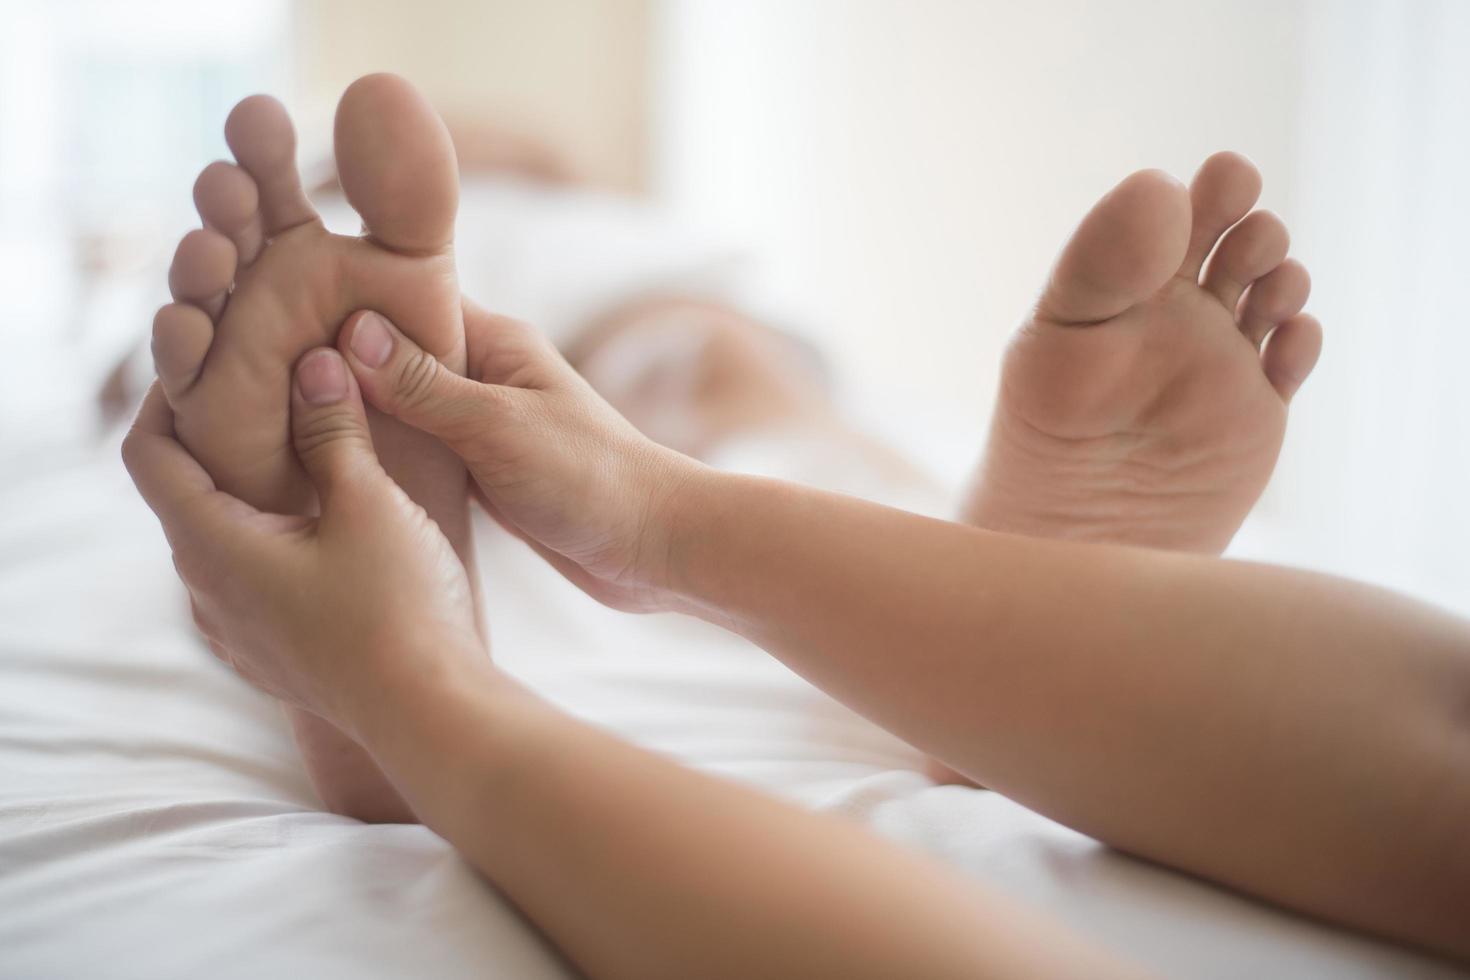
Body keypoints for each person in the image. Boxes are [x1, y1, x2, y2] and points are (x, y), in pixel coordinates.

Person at [126, 74, 1470, 974]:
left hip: (641, 305)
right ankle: (976, 604)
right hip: (639, 320)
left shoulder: (622, 222)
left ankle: (417, 596)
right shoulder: (618, 247)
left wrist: (403, 688)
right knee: (749, 393)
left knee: (711, 360)